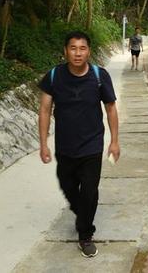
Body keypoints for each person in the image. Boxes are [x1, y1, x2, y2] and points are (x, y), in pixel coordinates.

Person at [38, 31, 120, 257]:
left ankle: (85, 234)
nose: (77, 53)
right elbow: (45, 110)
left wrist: (114, 141)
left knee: (90, 191)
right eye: (73, 48)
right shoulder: (54, 76)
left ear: (89, 51)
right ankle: (83, 213)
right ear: (65, 51)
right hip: (65, 146)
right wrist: (43, 144)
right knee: (68, 187)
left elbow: (111, 108)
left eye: (82, 48)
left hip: (92, 145)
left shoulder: (98, 76)